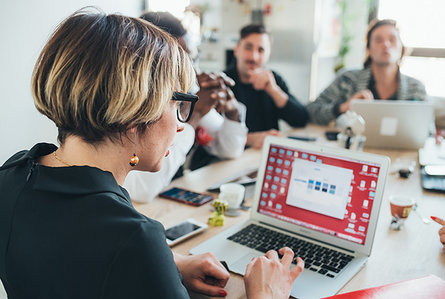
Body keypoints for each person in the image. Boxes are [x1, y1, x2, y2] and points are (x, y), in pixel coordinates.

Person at [0, 9, 304, 298]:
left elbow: (70, 254)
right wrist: (267, 295)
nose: (181, 126)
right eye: (178, 106)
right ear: (135, 115)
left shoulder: (11, 176)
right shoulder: (138, 240)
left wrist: (168, 263)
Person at [124, 12, 248, 201]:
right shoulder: (129, 105)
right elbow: (141, 189)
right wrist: (194, 115)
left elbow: (230, 150)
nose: (191, 70)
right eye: (180, 60)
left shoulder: (187, 92)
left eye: (192, 58)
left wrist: (231, 112)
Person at [307, 19, 427, 126]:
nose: (386, 44)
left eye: (392, 39)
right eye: (378, 40)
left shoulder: (416, 88)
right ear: (368, 48)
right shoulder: (347, 79)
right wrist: (344, 107)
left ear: (402, 48)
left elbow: (428, 129)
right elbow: (311, 111)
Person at [225, 24, 309, 149]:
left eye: (261, 50)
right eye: (248, 48)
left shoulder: (274, 79)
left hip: (265, 156)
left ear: (268, 54)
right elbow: (209, 134)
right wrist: (251, 139)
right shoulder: (221, 82)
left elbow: (301, 120)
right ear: (237, 49)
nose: (254, 57)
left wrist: (273, 89)